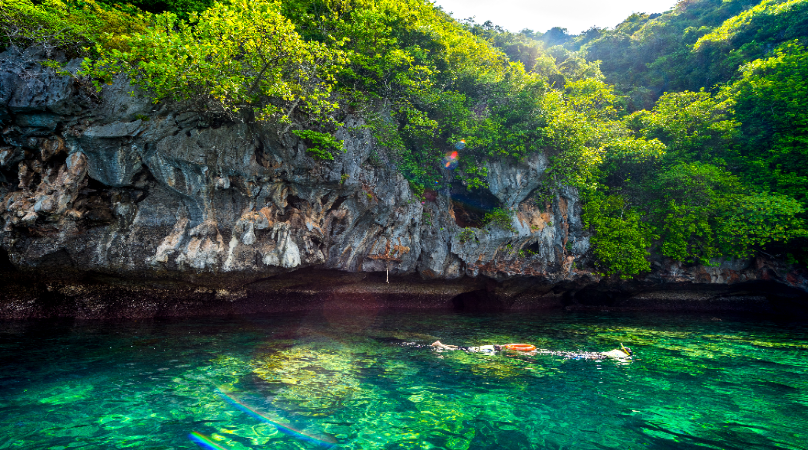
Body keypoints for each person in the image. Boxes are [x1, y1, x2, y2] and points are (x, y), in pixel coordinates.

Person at [430, 340, 633, 359]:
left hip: (490, 349)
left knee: (462, 350)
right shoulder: (494, 349)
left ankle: (441, 345)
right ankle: (440, 345)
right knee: (463, 350)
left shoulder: (498, 347)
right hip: (488, 349)